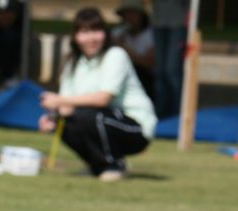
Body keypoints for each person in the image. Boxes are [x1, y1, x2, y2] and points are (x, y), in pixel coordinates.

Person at [39, 7, 156, 182]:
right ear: (76, 36)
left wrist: (60, 100)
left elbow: (103, 99)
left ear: (104, 33)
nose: (91, 38)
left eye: (96, 30)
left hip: (134, 127)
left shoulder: (115, 55)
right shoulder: (73, 63)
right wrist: (52, 117)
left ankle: (114, 165)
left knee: (89, 115)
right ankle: (97, 166)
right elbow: (66, 107)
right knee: (64, 122)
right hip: (102, 119)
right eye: (84, 32)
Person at [151, 0, 189, 118]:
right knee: (160, 71)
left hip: (177, 23)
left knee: (172, 71)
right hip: (158, 23)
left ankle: (177, 113)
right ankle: (161, 112)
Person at [113, 0, 155, 102]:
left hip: (144, 80)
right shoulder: (117, 33)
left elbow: (150, 64)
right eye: (126, 14)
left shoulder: (149, 35)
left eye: (133, 13)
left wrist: (125, 49)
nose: (129, 17)